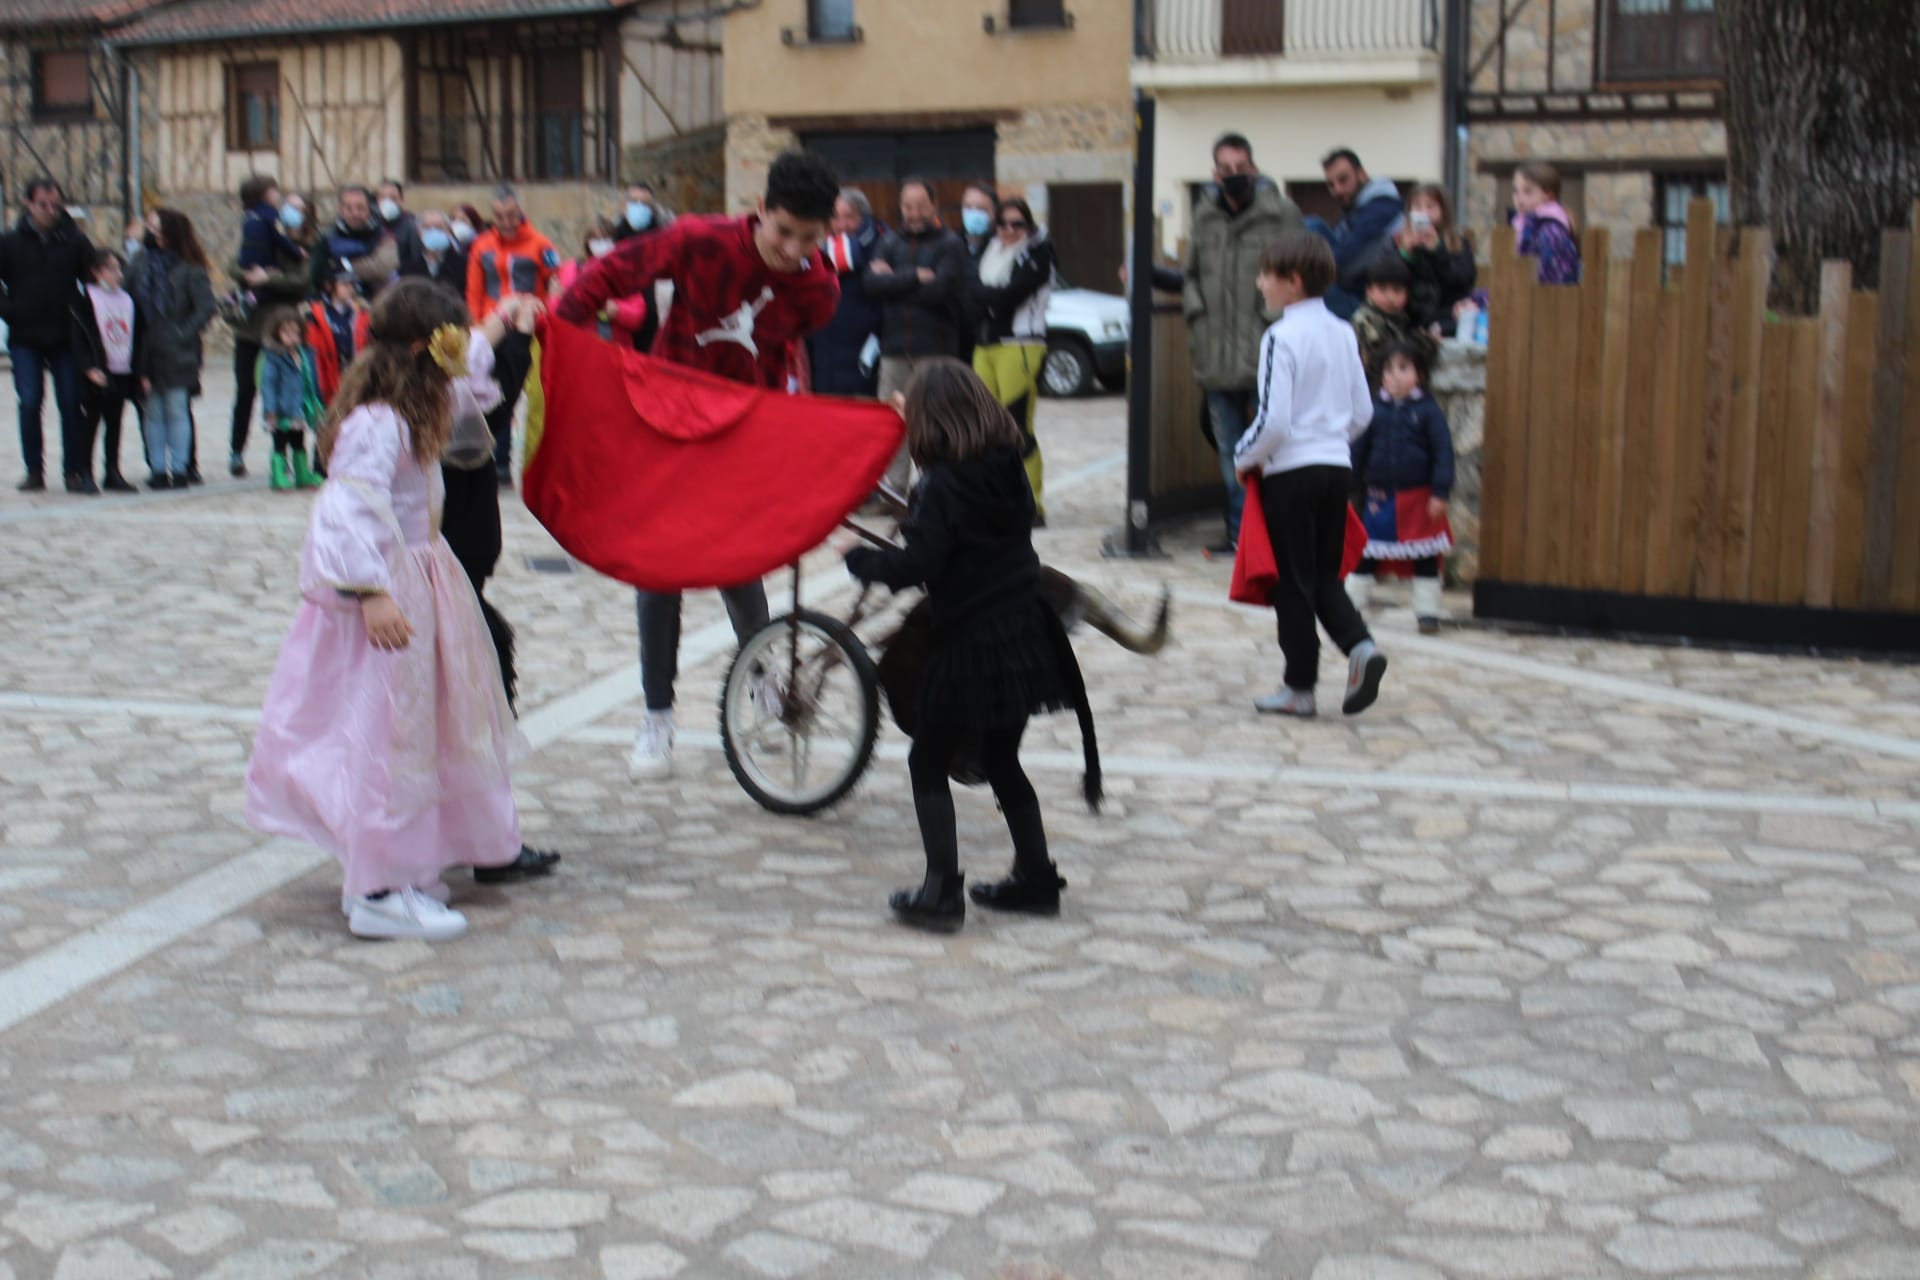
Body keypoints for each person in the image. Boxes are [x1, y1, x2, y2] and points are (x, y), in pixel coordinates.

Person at [245, 280, 527, 941]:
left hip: (422, 581)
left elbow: (475, 378)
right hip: (390, 591)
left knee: (423, 728)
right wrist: (371, 592)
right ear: (423, 352)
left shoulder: (424, 402)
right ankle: (375, 888)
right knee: (386, 735)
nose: (459, 361)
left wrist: (503, 323)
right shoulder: (378, 422)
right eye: (450, 345)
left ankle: (408, 865)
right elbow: (347, 505)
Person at [556, 148, 842, 780]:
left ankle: (763, 678)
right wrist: (564, 339)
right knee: (659, 570)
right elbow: (604, 277)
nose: (791, 248)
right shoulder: (696, 240)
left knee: (735, 563)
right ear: (759, 210)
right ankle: (657, 717)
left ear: (827, 234)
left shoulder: (818, 291)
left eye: (809, 238)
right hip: (665, 419)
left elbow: (792, 350)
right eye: (783, 231)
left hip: (741, 431)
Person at [844, 360, 1100, 931]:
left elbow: (921, 564)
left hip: (971, 644)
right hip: (1025, 631)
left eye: (908, 406)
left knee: (927, 760)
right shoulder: (1007, 465)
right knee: (1003, 757)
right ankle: (1035, 878)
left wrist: (859, 559)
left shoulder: (941, 483)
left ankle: (941, 893)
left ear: (931, 416)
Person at [1232, 231, 1385, 719]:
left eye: (1266, 276)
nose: (1260, 284)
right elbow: (1362, 412)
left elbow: (1273, 420)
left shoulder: (1280, 335)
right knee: (1323, 576)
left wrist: (1243, 455)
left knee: (1291, 585)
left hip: (1290, 474)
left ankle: (1300, 687)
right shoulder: (1343, 331)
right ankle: (1360, 647)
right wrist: (1331, 438)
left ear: (1292, 282)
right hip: (1336, 468)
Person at [1182, 133, 1304, 553]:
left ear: (1253, 169)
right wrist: (1196, 318)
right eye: (1225, 170)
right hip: (1216, 354)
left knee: (1273, 446)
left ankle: (1275, 531)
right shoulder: (1204, 216)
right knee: (1230, 453)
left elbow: (1298, 272)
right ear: (1215, 174)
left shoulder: (1281, 214)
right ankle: (1240, 534)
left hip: (1263, 351)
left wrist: (1274, 319)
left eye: (1241, 168)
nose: (1233, 176)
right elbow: (1191, 275)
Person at [866, 178, 968, 492]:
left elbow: (940, 291)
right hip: (894, 349)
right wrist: (914, 278)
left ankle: (935, 490)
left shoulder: (950, 244)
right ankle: (893, 491)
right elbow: (871, 286)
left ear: (934, 206)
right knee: (890, 424)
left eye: (921, 206)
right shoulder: (889, 242)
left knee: (936, 425)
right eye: (908, 206)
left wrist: (893, 283)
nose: (914, 213)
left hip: (934, 350)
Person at [1349, 341, 1454, 634]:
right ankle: (1349, 606)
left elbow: (1443, 453)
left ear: (1419, 375)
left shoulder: (1429, 412)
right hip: (1379, 498)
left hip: (1419, 499)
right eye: (1389, 369)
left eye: (1403, 368)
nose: (1395, 376)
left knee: (1424, 557)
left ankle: (1427, 613)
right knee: (1368, 553)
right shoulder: (1373, 411)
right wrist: (1346, 482)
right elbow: (1358, 450)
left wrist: (1440, 492)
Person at [466, 184, 562, 485]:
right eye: (499, 215)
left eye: (510, 214)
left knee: (522, 391)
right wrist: (478, 329)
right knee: (491, 391)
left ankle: (518, 459)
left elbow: (555, 287)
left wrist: (542, 316)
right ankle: (497, 457)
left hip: (527, 327)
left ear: (519, 212)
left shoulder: (541, 245)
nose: (505, 221)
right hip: (492, 326)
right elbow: (474, 290)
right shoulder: (482, 245)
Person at [0, 178, 92, 491]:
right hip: (25, 335)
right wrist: (9, 310)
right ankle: (34, 469)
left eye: (56, 204)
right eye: (43, 204)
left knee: (70, 401)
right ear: (28, 204)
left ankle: (73, 470)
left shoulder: (74, 241)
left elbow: (91, 278)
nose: (50, 211)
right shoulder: (10, 242)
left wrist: (80, 314)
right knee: (29, 400)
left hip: (64, 335)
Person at [971, 196, 1054, 524]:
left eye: (1017, 223)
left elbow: (1011, 296)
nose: (1008, 230)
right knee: (985, 429)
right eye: (1003, 223)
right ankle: (997, 497)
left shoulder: (1039, 254)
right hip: (986, 345)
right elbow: (971, 291)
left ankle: (1032, 503)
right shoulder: (990, 252)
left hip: (1021, 346)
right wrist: (989, 301)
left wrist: (987, 300)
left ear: (1028, 225)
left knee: (1017, 427)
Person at [230, 174, 313, 478]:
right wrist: (249, 274)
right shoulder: (260, 229)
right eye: (285, 204)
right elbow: (234, 265)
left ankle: (292, 456)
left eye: (297, 208)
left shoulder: (303, 247)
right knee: (245, 390)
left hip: (285, 331)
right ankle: (236, 451)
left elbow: (302, 282)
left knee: (290, 391)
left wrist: (270, 279)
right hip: (252, 328)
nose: (288, 211)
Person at [128, 208, 216, 491]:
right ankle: (156, 469)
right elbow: (129, 299)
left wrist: (182, 333)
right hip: (147, 348)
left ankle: (179, 468)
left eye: (155, 227)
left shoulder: (191, 268)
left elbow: (205, 307)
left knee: (177, 407)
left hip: (179, 350)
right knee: (152, 409)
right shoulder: (140, 263)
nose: (150, 232)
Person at [69, 246, 141, 493]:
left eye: (118, 268)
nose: (116, 273)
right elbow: (79, 337)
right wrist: (89, 367)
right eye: (110, 268)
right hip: (98, 371)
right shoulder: (85, 300)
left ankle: (112, 470)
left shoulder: (127, 299)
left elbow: (137, 335)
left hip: (122, 369)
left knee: (115, 423)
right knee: (90, 424)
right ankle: (85, 472)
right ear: (96, 272)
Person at [1308, 148, 1407, 321]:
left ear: (1361, 174)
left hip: (1370, 305)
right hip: (1356, 294)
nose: (1337, 190)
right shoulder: (1354, 213)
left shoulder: (1381, 209)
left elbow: (1345, 264)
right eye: (1331, 185)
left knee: (1310, 286)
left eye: (1343, 180)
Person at [809, 187, 886, 397]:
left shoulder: (882, 247)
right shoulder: (820, 250)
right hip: (827, 353)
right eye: (835, 217)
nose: (841, 225)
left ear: (863, 218)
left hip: (865, 351)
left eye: (849, 217)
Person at [1350, 255, 1438, 391]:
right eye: (1382, 289)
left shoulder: (1398, 319)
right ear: (1369, 291)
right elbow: (1391, 357)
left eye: (1397, 290)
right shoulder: (1366, 321)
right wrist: (1423, 343)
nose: (1390, 297)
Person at [1398, 183, 1476, 335]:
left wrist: (1438, 251)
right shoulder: (1398, 241)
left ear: (1443, 211)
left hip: (1446, 316)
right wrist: (1406, 255)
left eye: (1430, 207)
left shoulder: (1457, 243)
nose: (1424, 213)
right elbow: (1391, 279)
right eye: (1418, 207)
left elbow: (1464, 280)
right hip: (1411, 319)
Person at [256, 307, 321, 492]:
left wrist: (315, 401)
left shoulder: (305, 354)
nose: (291, 336)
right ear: (277, 333)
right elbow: (268, 384)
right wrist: (270, 409)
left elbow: (311, 380)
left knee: (299, 441)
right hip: (281, 410)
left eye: (295, 332)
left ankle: (302, 474)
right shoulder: (274, 357)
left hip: (299, 409)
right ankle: (278, 474)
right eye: (286, 332)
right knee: (280, 443)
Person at [310, 186, 399, 301]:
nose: (355, 213)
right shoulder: (327, 238)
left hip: (378, 301)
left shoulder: (383, 236)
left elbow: (381, 268)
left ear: (369, 209)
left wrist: (342, 265)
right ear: (341, 210)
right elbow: (317, 274)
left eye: (360, 208)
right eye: (348, 208)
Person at [1513, 161, 1582, 286]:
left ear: (1548, 195)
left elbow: (1547, 281)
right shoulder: (1527, 226)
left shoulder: (1550, 231)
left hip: (1544, 301)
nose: (1519, 197)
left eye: (1527, 191)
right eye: (1516, 191)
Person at [308, 272, 371, 407]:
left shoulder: (362, 313)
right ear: (331, 286)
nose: (350, 289)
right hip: (327, 376)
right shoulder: (317, 314)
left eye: (352, 285)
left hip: (354, 375)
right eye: (344, 284)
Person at [956, 182, 997, 365]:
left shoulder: (1002, 247)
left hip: (992, 341)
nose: (973, 214)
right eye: (968, 207)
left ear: (994, 213)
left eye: (981, 208)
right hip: (956, 341)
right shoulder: (951, 245)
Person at [404, 209, 468, 299]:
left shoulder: (463, 264)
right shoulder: (410, 268)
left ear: (448, 231)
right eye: (427, 228)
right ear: (419, 232)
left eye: (439, 228)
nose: (433, 232)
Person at [377, 178, 425, 277]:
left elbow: (416, 258)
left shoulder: (412, 225)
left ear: (401, 200)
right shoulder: (373, 224)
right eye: (383, 198)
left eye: (393, 198)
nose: (387, 202)